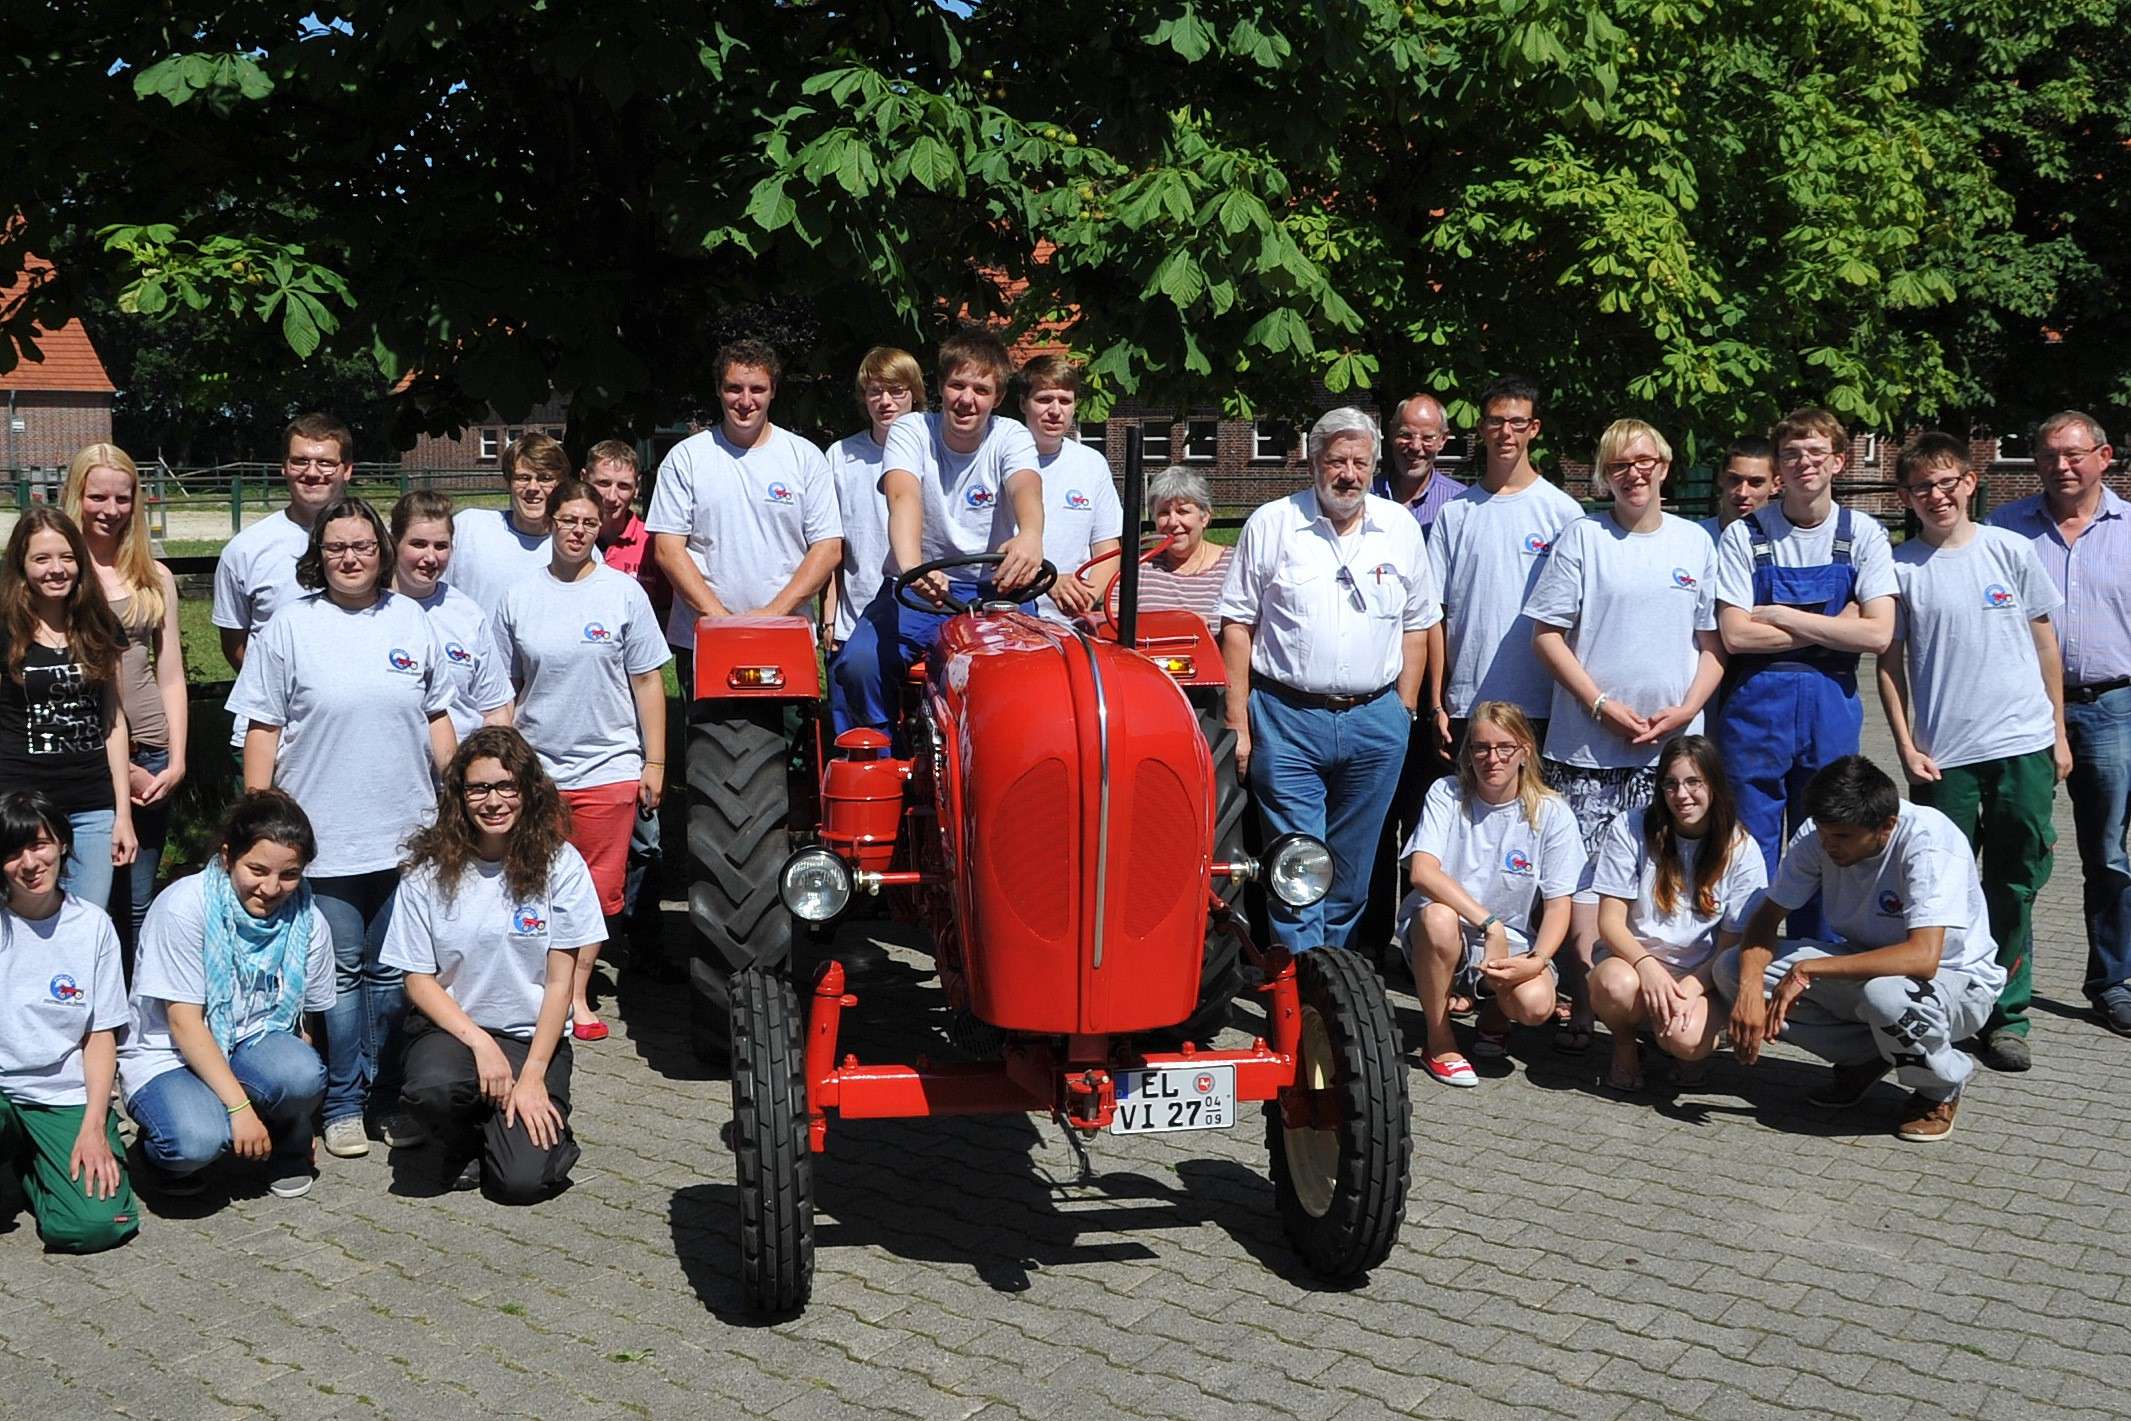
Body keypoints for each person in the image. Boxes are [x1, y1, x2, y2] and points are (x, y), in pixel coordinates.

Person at [226, 494, 455, 1160]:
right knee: (342, 974)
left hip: (407, 836)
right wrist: (259, 820)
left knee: (391, 973)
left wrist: (460, 794)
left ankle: (385, 1099)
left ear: (381, 551)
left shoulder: (411, 619)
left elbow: (437, 716)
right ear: (318, 555)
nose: (349, 558)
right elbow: (263, 726)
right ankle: (344, 1103)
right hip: (323, 841)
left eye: (361, 546)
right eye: (335, 548)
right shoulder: (289, 626)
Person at [1527, 419, 1725, 1052]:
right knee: (1587, 880)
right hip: (1588, 748)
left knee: (1660, 876)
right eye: (1619, 465)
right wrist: (1600, 704)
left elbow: (1712, 645)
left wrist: (1686, 710)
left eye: (1644, 462)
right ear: (1603, 475)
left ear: (1664, 466)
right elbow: (1547, 635)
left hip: (1669, 752)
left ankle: (1659, 1001)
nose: (1633, 474)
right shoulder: (1584, 538)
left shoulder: (1695, 542)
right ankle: (1589, 1003)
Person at [1216, 406, 1440, 954]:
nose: (1349, 474)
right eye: (1337, 461)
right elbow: (1237, 625)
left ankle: (1330, 977)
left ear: (1374, 465)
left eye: (1360, 462)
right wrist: (1237, 721)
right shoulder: (1272, 523)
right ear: (1313, 461)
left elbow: (1417, 624)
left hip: (1376, 721)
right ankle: (1296, 982)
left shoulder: (1399, 529)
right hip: (1286, 719)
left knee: (1352, 871)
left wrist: (1404, 710)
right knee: (1295, 864)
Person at [1879, 433, 2068, 1074]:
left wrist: (2058, 734)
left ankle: (2007, 1016)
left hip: (2022, 744)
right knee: (1942, 890)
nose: (1936, 496)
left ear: (1969, 482)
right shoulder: (1901, 567)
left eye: (1946, 482)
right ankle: (1948, 1007)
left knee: (2013, 881)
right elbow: (1889, 665)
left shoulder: (2010, 551)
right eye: (1921, 488)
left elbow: (2045, 645)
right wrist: (1904, 744)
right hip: (1944, 756)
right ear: (1905, 497)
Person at [1718, 756, 2004, 1143]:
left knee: (1886, 996)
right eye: (1823, 833)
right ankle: (1868, 1057)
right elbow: (1766, 919)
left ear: (1886, 826)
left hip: (1956, 981)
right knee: (1731, 969)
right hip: (1866, 965)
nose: (1828, 845)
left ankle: (1939, 1087)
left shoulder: (1930, 842)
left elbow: (1923, 957)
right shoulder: (1820, 832)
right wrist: (1750, 990)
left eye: (1842, 837)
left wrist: (1807, 969)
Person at [383, 728, 602, 1202]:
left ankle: (519, 1131)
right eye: (479, 788)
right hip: (453, 1033)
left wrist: (532, 1076)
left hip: (530, 1039)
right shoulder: (426, 870)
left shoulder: (561, 865)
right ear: (459, 796)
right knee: (433, 1089)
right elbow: (416, 979)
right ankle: (460, 1141)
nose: (494, 801)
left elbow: (560, 984)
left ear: (528, 791)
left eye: (507, 786)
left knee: (522, 1182)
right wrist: (480, 1042)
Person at [490, 479, 669, 1040]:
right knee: (532, 883)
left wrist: (655, 763)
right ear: (551, 522)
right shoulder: (519, 597)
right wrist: (501, 764)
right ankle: (532, 991)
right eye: (568, 520)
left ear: (600, 529)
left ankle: (577, 995)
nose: (578, 531)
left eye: (589, 523)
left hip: (609, 768)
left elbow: (647, 682)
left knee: (593, 893)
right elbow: (503, 689)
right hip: (537, 773)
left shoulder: (623, 594)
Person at [1712, 407, 1896, 935]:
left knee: (1830, 835)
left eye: (1816, 452)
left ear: (1839, 461)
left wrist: (1781, 615)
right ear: (1779, 467)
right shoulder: (1745, 534)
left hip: (1830, 705)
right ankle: (1745, 954)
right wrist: (1836, 624)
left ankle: (1818, 961)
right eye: (1791, 454)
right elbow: (1736, 635)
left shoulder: (1862, 533)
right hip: (1754, 709)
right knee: (1750, 844)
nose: (1804, 463)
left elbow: (1878, 635)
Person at [828, 327, 1047, 736]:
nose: (967, 399)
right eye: (957, 385)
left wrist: (1031, 534)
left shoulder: (1010, 436)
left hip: (995, 590)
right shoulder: (911, 431)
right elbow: (903, 495)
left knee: (1039, 674)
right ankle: (879, 757)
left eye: (981, 390)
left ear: (998, 397)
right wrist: (913, 566)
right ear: (941, 387)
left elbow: (1025, 488)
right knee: (858, 664)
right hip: (920, 588)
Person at [1990, 412, 2131, 1035]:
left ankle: (2112, 981)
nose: (2060, 466)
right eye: (2048, 454)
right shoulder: (2004, 528)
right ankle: (2003, 995)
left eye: (2073, 454)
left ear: (2104, 457)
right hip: (2022, 709)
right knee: (2017, 852)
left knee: (2108, 854)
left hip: (2112, 707)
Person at [119, 790, 333, 1200]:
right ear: (227, 857)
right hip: (171, 1051)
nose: (271, 888)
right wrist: (239, 1108)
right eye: (257, 869)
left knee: (302, 1074)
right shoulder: (184, 907)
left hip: (251, 1040)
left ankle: (282, 1140)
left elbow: (304, 1024)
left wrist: (297, 1110)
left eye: (289, 874)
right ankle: (161, 1153)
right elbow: (183, 1023)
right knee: (195, 1141)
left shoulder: (309, 919)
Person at [1398, 703, 1583, 1085]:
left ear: (1525, 752)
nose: (1492, 758)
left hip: (1511, 942)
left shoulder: (1552, 812)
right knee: (1438, 915)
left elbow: (1558, 905)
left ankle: (1495, 1014)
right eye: (1480, 747)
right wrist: (1489, 923)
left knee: (1536, 1005)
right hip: (1443, 933)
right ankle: (1439, 1041)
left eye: (1504, 748)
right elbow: (1422, 872)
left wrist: (1538, 959)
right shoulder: (1447, 793)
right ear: (1468, 753)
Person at [648, 340, 842, 689]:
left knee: (788, 726)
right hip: (702, 636)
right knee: (708, 727)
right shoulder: (686, 458)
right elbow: (667, 549)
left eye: (757, 389)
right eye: (734, 388)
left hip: (786, 634)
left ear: (773, 391)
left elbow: (827, 549)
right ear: (718, 390)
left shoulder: (805, 458)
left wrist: (770, 616)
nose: (745, 400)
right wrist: (721, 620)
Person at [0, 790, 138, 1252]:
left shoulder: (93, 926)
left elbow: (100, 1035)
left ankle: (34, 1168)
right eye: (12, 852)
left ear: (62, 843)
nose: (29, 863)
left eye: (39, 844)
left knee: (97, 1224)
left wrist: (94, 1124)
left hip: (61, 1094)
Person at [1586, 736, 1765, 1092]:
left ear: (1714, 785)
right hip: (1633, 961)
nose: (1682, 795)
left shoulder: (1741, 848)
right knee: (1614, 985)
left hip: (1702, 972)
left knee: (1685, 1040)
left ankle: (1686, 1049)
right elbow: (1609, 922)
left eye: (1694, 782)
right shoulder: (1630, 827)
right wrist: (1646, 966)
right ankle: (1625, 1045)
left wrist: (1690, 988)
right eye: (1671, 784)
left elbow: (1732, 945)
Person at [63, 443, 186, 953]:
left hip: (153, 752)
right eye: (97, 497)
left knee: (137, 901)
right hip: (87, 752)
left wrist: (176, 759)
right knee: (84, 900)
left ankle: (136, 997)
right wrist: (120, 768)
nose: (110, 510)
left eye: (122, 498)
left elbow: (171, 673)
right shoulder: (61, 574)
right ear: (76, 496)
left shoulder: (154, 577)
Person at [1425, 375, 1584, 758]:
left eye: (1517, 422)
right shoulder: (1454, 513)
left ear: (1534, 428)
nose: (1506, 432)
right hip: (1468, 702)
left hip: (1543, 704)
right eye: (1496, 421)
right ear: (1481, 428)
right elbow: (1432, 615)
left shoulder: (1564, 513)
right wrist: (1436, 702)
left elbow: (1580, 617)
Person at [0, 507, 136, 907]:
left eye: (66, 557)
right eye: (41, 559)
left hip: (92, 805)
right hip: (21, 805)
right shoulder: (5, 628)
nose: (56, 569)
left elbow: (113, 721)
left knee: (87, 917)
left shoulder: (100, 623)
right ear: (22, 565)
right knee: (23, 920)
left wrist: (122, 814)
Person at [582, 439, 671, 954]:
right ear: (585, 481)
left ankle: (642, 942)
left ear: (636, 490)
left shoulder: (652, 544)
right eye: (602, 483)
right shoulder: (569, 540)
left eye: (623, 486)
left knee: (644, 829)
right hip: (582, 697)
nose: (612, 496)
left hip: (634, 697)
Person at [212, 412, 354, 675]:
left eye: (325, 463)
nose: (312, 473)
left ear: (347, 470)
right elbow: (234, 644)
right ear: (284, 467)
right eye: (300, 461)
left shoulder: (376, 545)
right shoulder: (245, 550)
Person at [389, 491, 514, 740]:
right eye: (418, 544)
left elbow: (496, 709)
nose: (430, 557)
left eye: (441, 546)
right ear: (394, 543)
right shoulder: (371, 608)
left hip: (459, 759)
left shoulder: (468, 615)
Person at [824, 348, 924, 650]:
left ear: (914, 394)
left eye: (896, 391)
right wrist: (829, 618)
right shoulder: (840, 456)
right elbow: (831, 545)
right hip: (855, 620)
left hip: (925, 614)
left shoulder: (937, 450)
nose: (885, 401)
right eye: (875, 392)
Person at [1018, 355, 1122, 621]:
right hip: (1011, 612)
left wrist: (1086, 598)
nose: (1055, 411)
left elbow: (1107, 548)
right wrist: (1047, 580)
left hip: (1072, 620)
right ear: (1023, 403)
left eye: (1065, 401)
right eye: (1044, 399)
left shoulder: (1092, 463)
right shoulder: (998, 458)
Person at [448, 433, 581, 615]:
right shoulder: (468, 528)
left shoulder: (576, 545)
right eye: (523, 478)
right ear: (508, 482)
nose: (533, 488)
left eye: (545, 478)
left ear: (560, 485)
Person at [1136, 465, 1234, 628]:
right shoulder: (1140, 566)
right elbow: (1112, 618)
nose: (1172, 522)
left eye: (1182, 512)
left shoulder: (1233, 566)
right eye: (1163, 513)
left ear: (1205, 517)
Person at [1374, 392, 1465, 532]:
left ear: (1443, 440)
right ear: (1391, 433)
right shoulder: (1366, 495)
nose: (1415, 447)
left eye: (1427, 438)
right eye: (1406, 435)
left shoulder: (1460, 502)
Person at [1699, 436, 1779, 542]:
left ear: (1775, 485)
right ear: (1720, 478)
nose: (1742, 493)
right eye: (1734, 479)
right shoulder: (1694, 538)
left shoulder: (1784, 543)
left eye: (1756, 482)